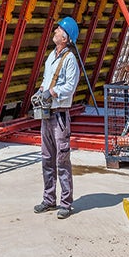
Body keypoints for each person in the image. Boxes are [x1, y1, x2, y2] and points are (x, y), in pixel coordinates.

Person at [33, 16, 80, 219]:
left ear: (66, 37)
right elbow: (47, 81)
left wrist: (52, 92)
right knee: (46, 158)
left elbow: (70, 86)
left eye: (59, 29)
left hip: (60, 116)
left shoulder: (70, 60)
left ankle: (66, 203)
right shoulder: (51, 56)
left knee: (62, 160)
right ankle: (49, 199)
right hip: (47, 114)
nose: (55, 31)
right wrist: (41, 91)